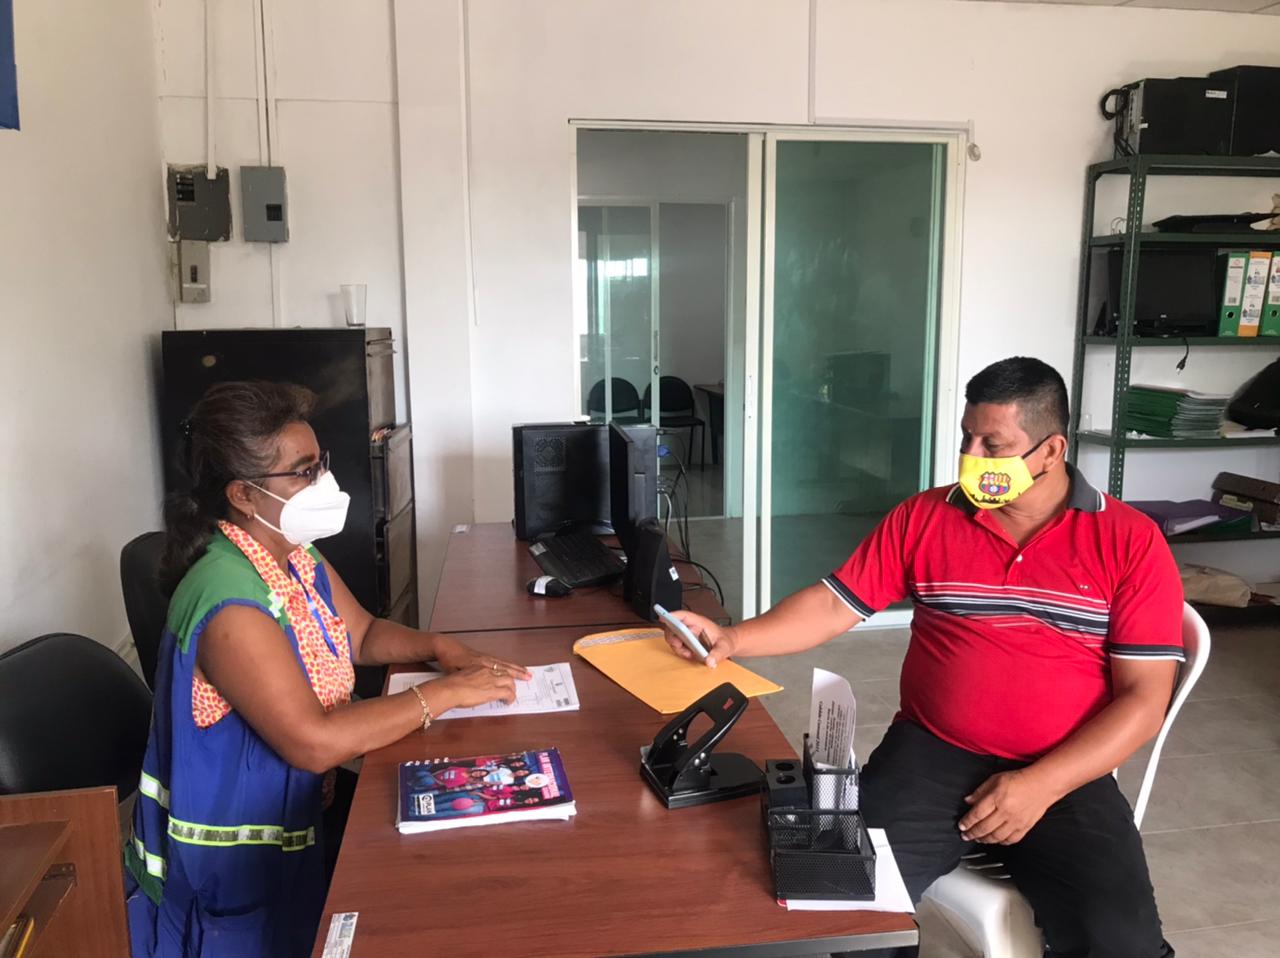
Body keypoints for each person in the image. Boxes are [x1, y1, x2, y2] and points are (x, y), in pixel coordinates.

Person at [662, 358, 1183, 958]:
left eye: (993, 445)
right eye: (967, 439)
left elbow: (1145, 699)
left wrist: (1040, 785)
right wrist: (733, 639)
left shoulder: (1129, 541)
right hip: (931, 753)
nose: (972, 457)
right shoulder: (926, 518)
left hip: (1065, 770)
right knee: (843, 910)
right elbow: (833, 605)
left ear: (1051, 450)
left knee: (1121, 940)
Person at [125, 381, 532, 957]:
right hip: (234, 867)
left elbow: (361, 632)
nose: (324, 482)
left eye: (320, 464)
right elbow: (313, 743)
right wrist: (442, 695)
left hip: (298, 810)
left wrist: (442, 648)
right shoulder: (229, 603)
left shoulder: (289, 552)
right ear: (243, 495)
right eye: (304, 471)